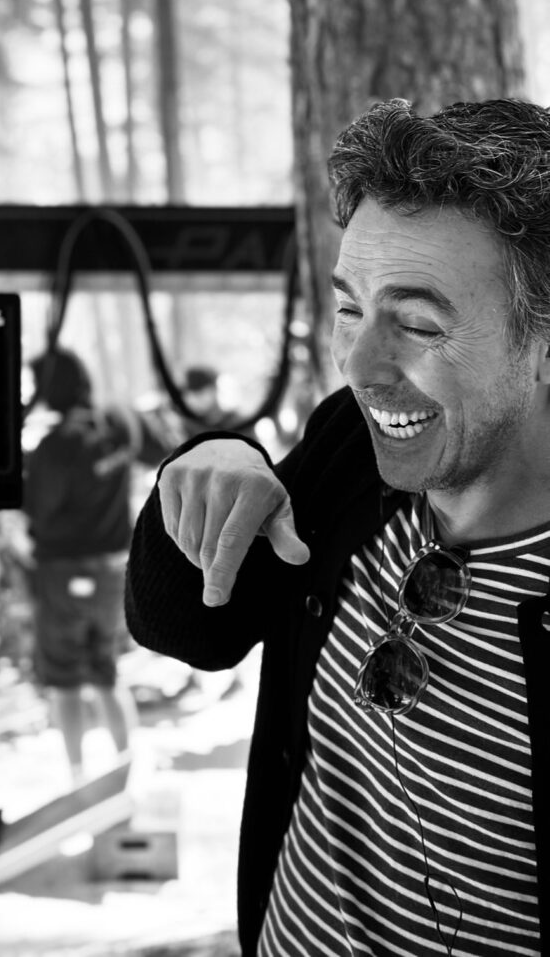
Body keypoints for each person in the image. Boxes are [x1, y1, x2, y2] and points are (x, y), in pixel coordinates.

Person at [125, 98, 550, 956]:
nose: (357, 366)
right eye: (350, 309)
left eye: (418, 324)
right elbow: (187, 627)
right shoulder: (351, 450)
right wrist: (209, 463)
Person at [22, 347, 177, 783]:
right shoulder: (117, 425)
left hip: (63, 574)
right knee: (106, 672)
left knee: (65, 681)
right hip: (112, 572)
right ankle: (127, 773)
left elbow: (37, 509)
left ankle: (77, 780)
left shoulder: (56, 445)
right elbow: (164, 450)